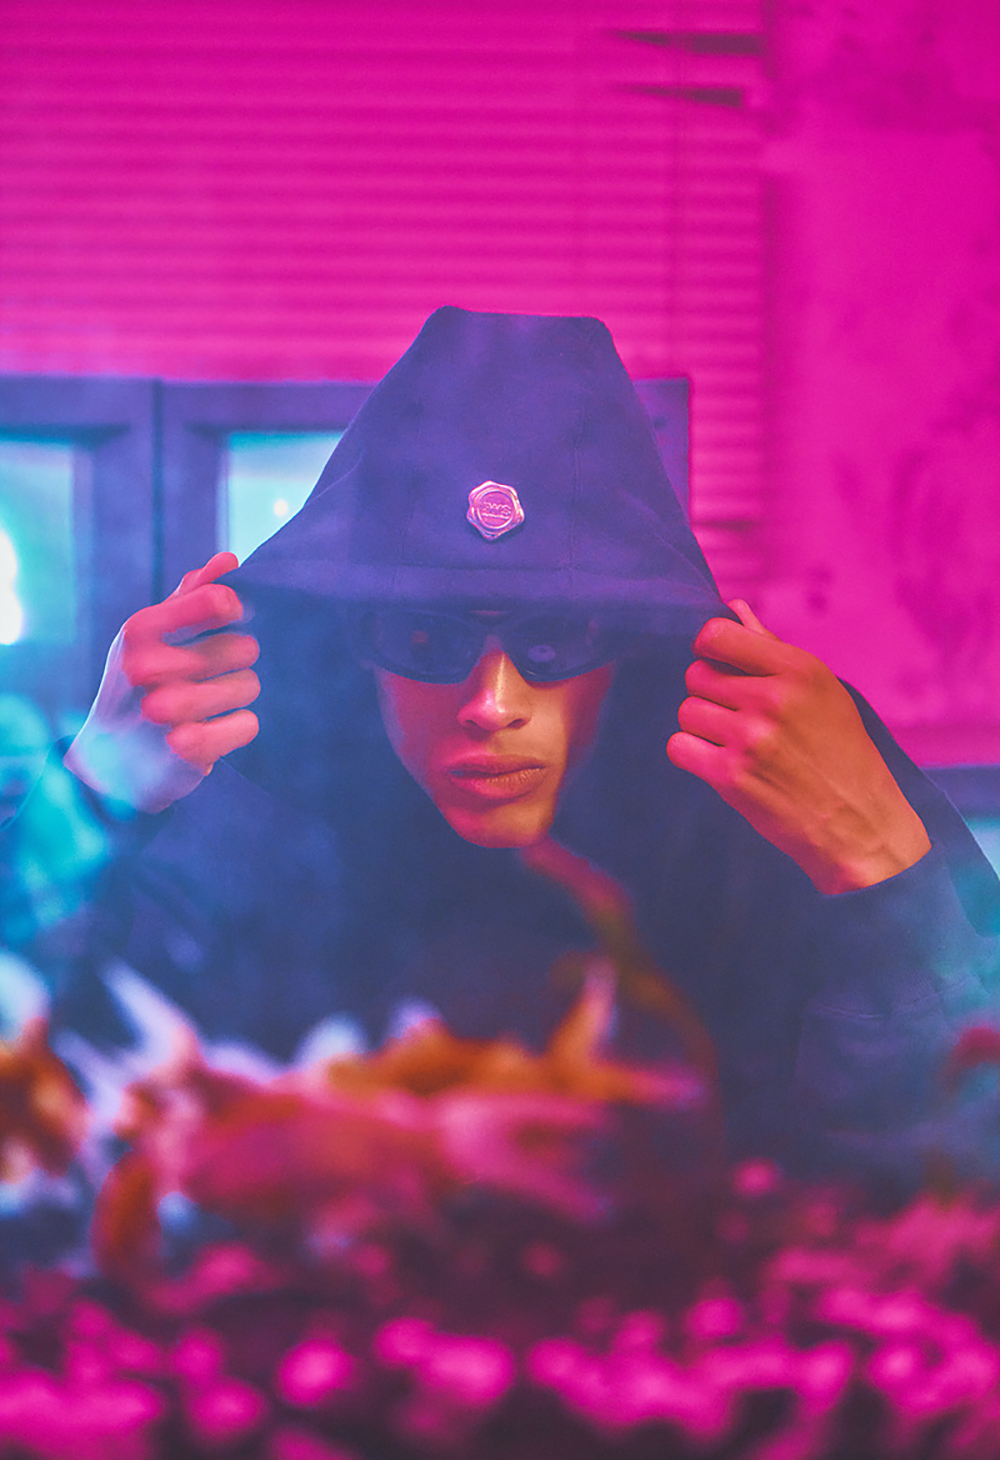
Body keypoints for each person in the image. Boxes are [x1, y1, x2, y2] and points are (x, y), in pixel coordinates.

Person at [54, 307, 1000, 1177]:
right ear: (351, 647)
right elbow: (47, 1135)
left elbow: (954, 1188)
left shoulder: (751, 824)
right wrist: (94, 799)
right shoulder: (243, 820)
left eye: (560, 637)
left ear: (637, 651)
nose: (491, 703)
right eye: (423, 637)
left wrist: (886, 869)